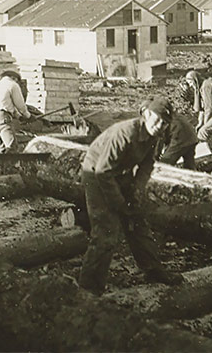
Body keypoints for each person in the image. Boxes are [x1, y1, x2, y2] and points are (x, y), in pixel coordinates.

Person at [79, 97, 185, 295]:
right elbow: (103, 171)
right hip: (96, 174)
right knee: (107, 232)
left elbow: (147, 165)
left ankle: (153, 270)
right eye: (157, 119)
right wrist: (119, 203)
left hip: (118, 173)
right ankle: (89, 288)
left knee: (138, 222)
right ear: (146, 114)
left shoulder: (154, 136)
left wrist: (137, 190)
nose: (160, 125)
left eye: (165, 123)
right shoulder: (125, 133)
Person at [141, 101, 198, 170]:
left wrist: (155, 158)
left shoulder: (161, 120)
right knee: (189, 165)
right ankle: (192, 177)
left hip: (180, 138)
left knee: (165, 163)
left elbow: (159, 140)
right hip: (192, 137)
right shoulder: (168, 114)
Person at [0, 70, 32, 153]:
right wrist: (28, 116)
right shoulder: (13, 85)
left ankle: (1, 165)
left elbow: (6, 104)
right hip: (4, 118)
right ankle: (11, 166)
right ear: (14, 78)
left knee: (1, 147)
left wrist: (19, 117)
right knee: (11, 146)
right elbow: (20, 104)